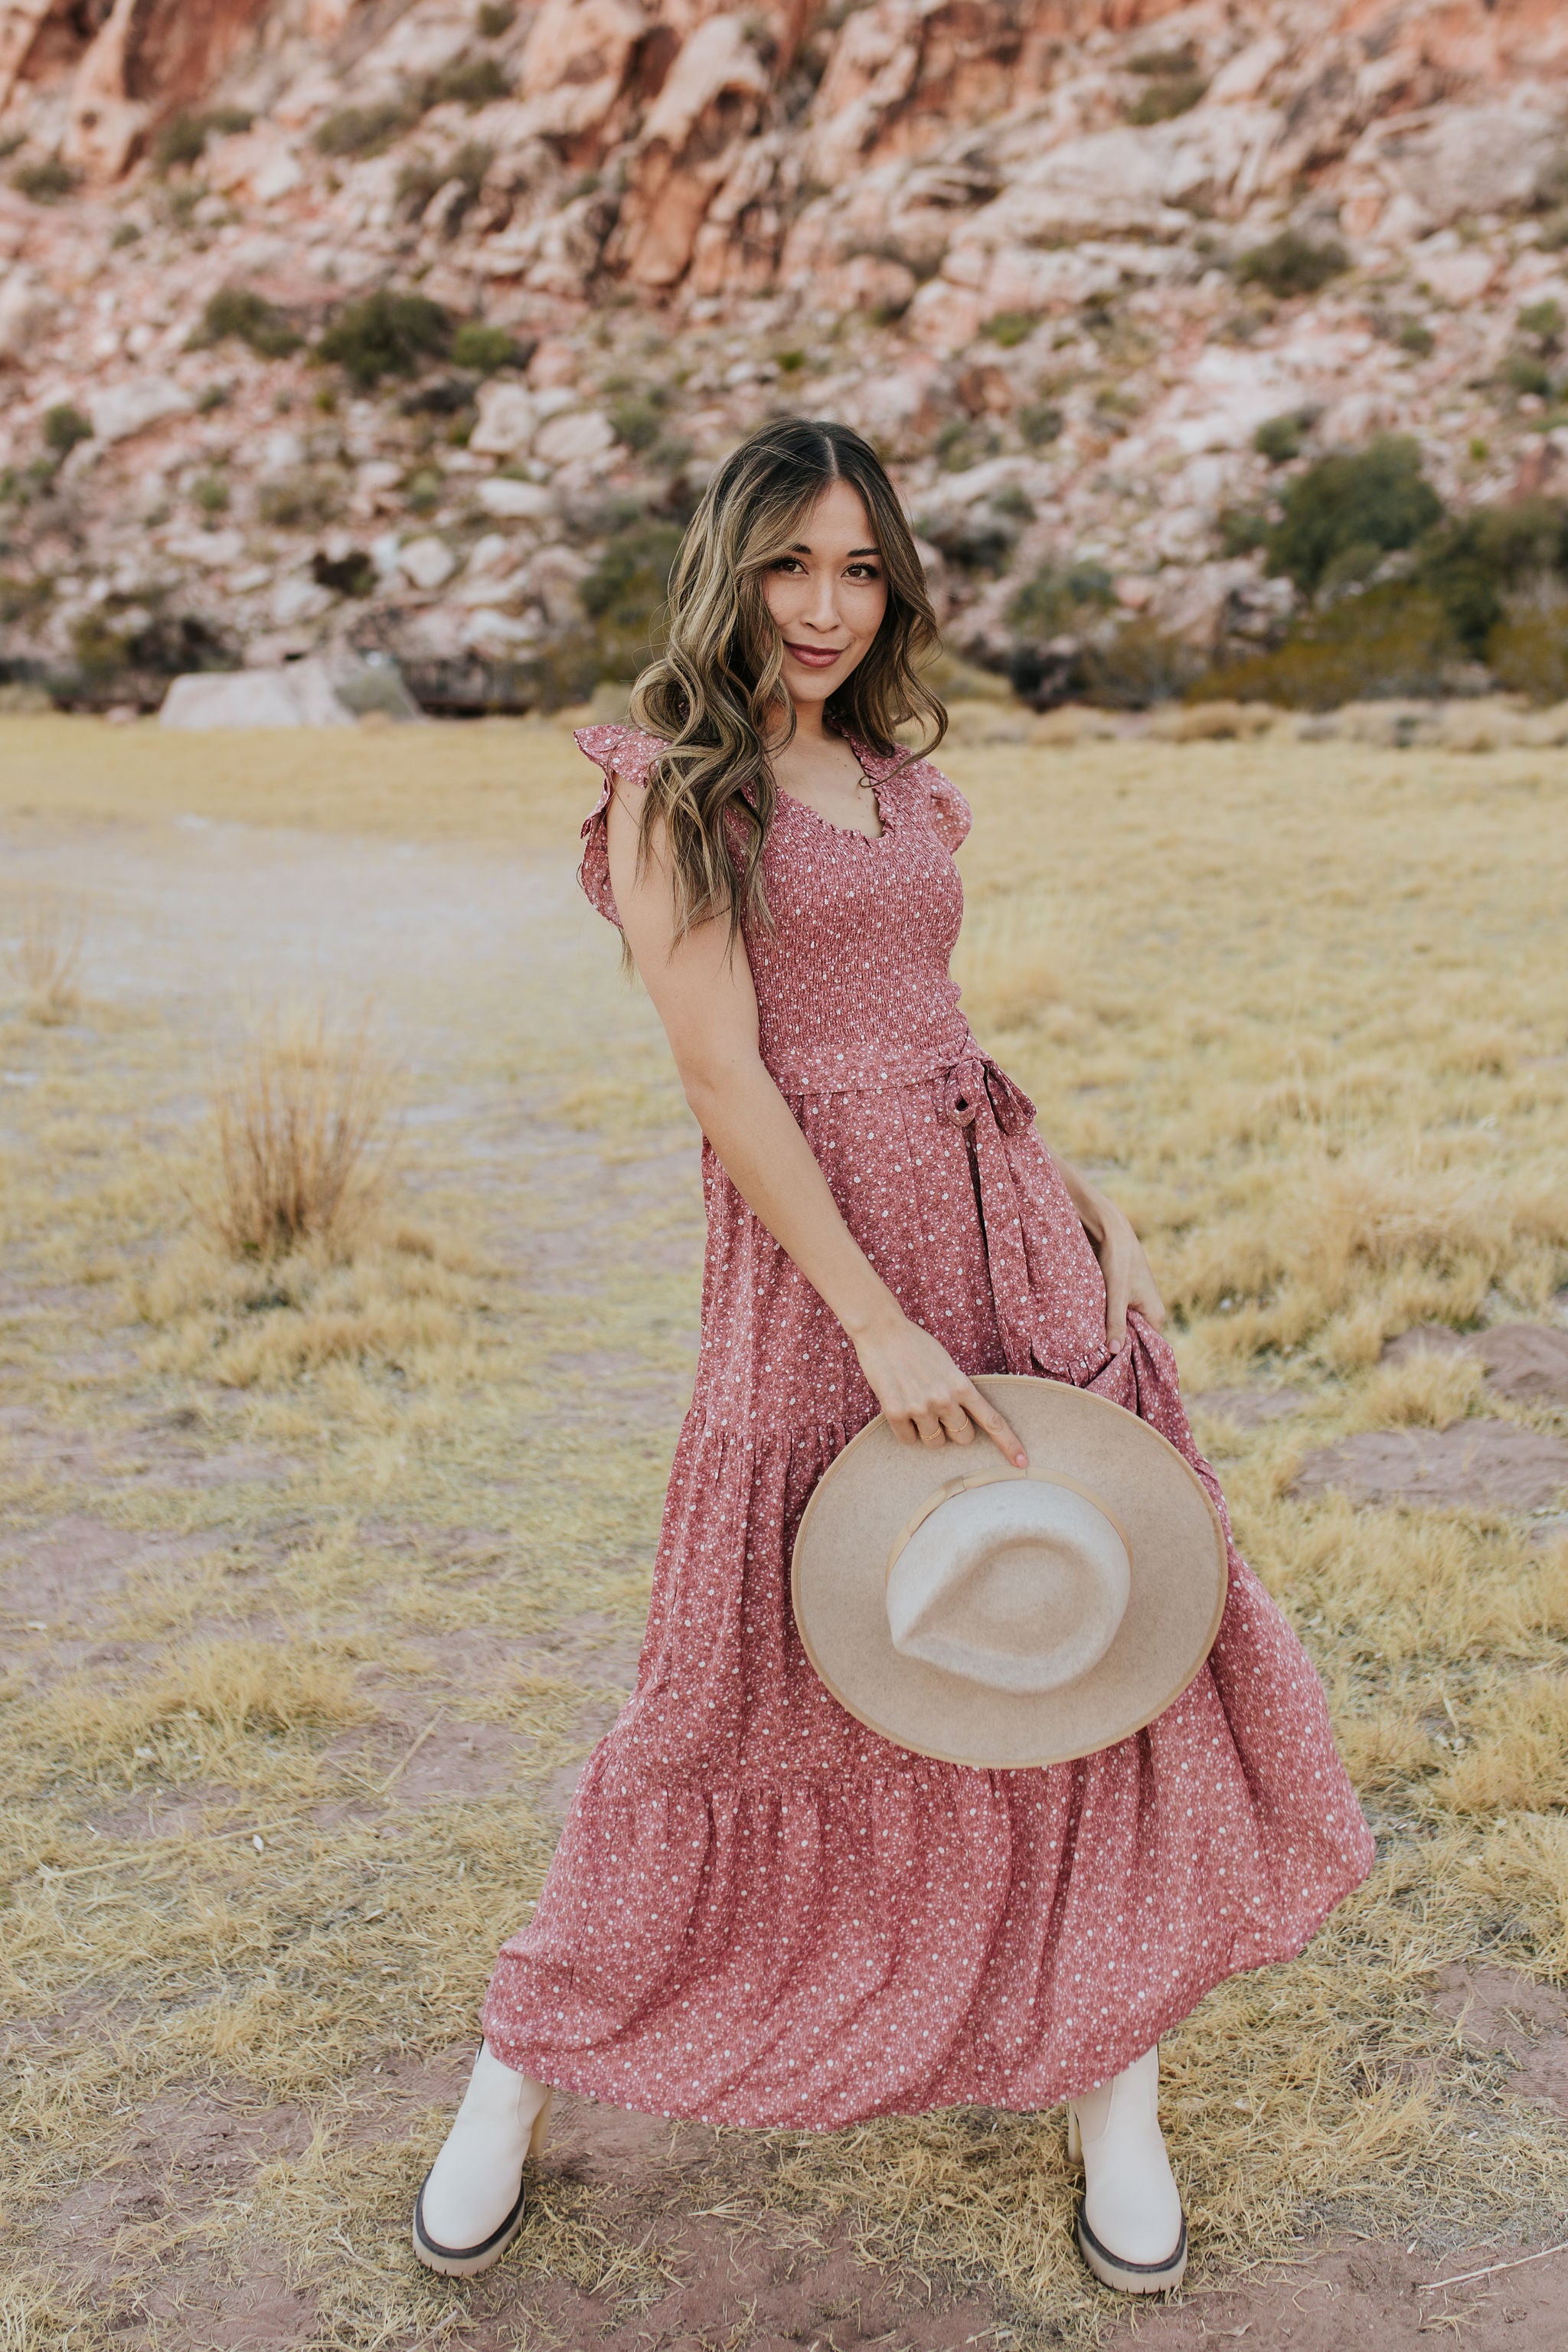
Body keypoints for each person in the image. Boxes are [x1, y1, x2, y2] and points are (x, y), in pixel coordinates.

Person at [412, 419, 1374, 2294]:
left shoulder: (906, 791)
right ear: (728, 569)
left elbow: (930, 1023)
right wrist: (872, 1317)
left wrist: (1073, 1190)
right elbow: (723, 1075)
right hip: (823, 1281)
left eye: (860, 567)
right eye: (790, 565)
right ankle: (514, 2082)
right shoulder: (676, 793)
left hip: (1003, 1234)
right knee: (729, 1685)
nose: (827, 606)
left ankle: (1116, 2092)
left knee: (1094, 1643)